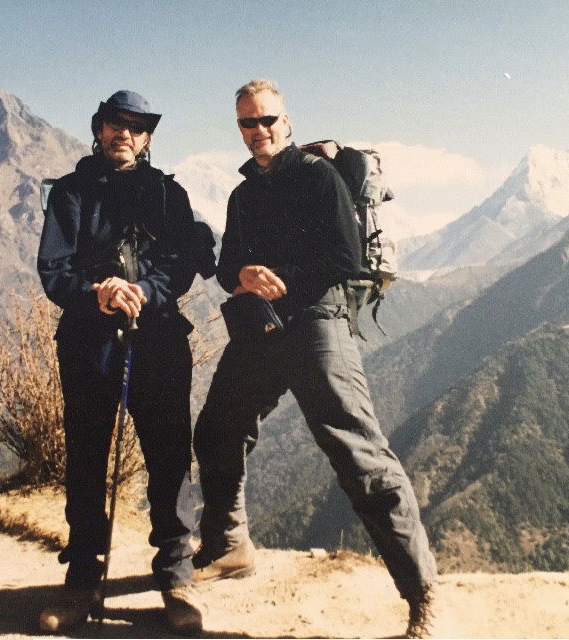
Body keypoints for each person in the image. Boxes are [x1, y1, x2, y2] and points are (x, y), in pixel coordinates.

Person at [192, 79, 438, 638]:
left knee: (357, 453)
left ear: (288, 121)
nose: (260, 132)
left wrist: (284, 281)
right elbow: (228, 264)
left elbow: (346, 257)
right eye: (248, 124)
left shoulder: (318, 176)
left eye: (268, 120)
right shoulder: (243, 193)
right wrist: (242, 276)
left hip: (317, 322)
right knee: (217, 429)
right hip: (262, 326)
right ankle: (230, 546)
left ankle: (420, 591)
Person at [37, 90, 205, 635]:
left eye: (136, 127)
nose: (125, 134)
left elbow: (180, 265)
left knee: (169, 456)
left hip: (156, 338)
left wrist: (143, 291)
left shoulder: (167, 195)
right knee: (86, 456)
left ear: (148, 137)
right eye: (116, 124)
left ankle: (176, 579)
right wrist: (99, 294)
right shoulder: (68, 194)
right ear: (99, 128)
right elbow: (53, 271)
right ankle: (83, 576)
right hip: (89, 340)